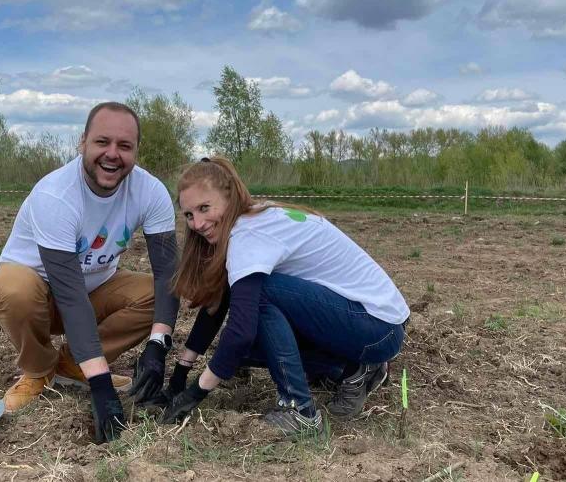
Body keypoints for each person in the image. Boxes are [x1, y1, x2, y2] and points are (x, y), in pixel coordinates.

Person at [157, 157, 410, 436]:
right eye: (189, 215)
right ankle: (354, 369)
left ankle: (298, 409)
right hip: (372, 324)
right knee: (246, 349)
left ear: (229, 197)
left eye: (205, 208)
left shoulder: (248, 236)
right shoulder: (254, 215)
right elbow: (219, 304)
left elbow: (239, 331)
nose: (198, 223)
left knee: (260, 299)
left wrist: (194, 394)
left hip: (376, 326)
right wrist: (180, 373)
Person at [0, 102, 180, 443]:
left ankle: (74, 365)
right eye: (102, 142)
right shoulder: (56, 195)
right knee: (12, 287)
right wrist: (102, 385)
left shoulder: (151, 193)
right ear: (82, 143)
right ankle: (39, 369)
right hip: (43, 295)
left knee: (155, 293)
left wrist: (157, 345)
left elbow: (167, 275)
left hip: (95, 288)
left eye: (124, 146)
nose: (112, 154)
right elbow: (70, 296)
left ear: (136, 151)